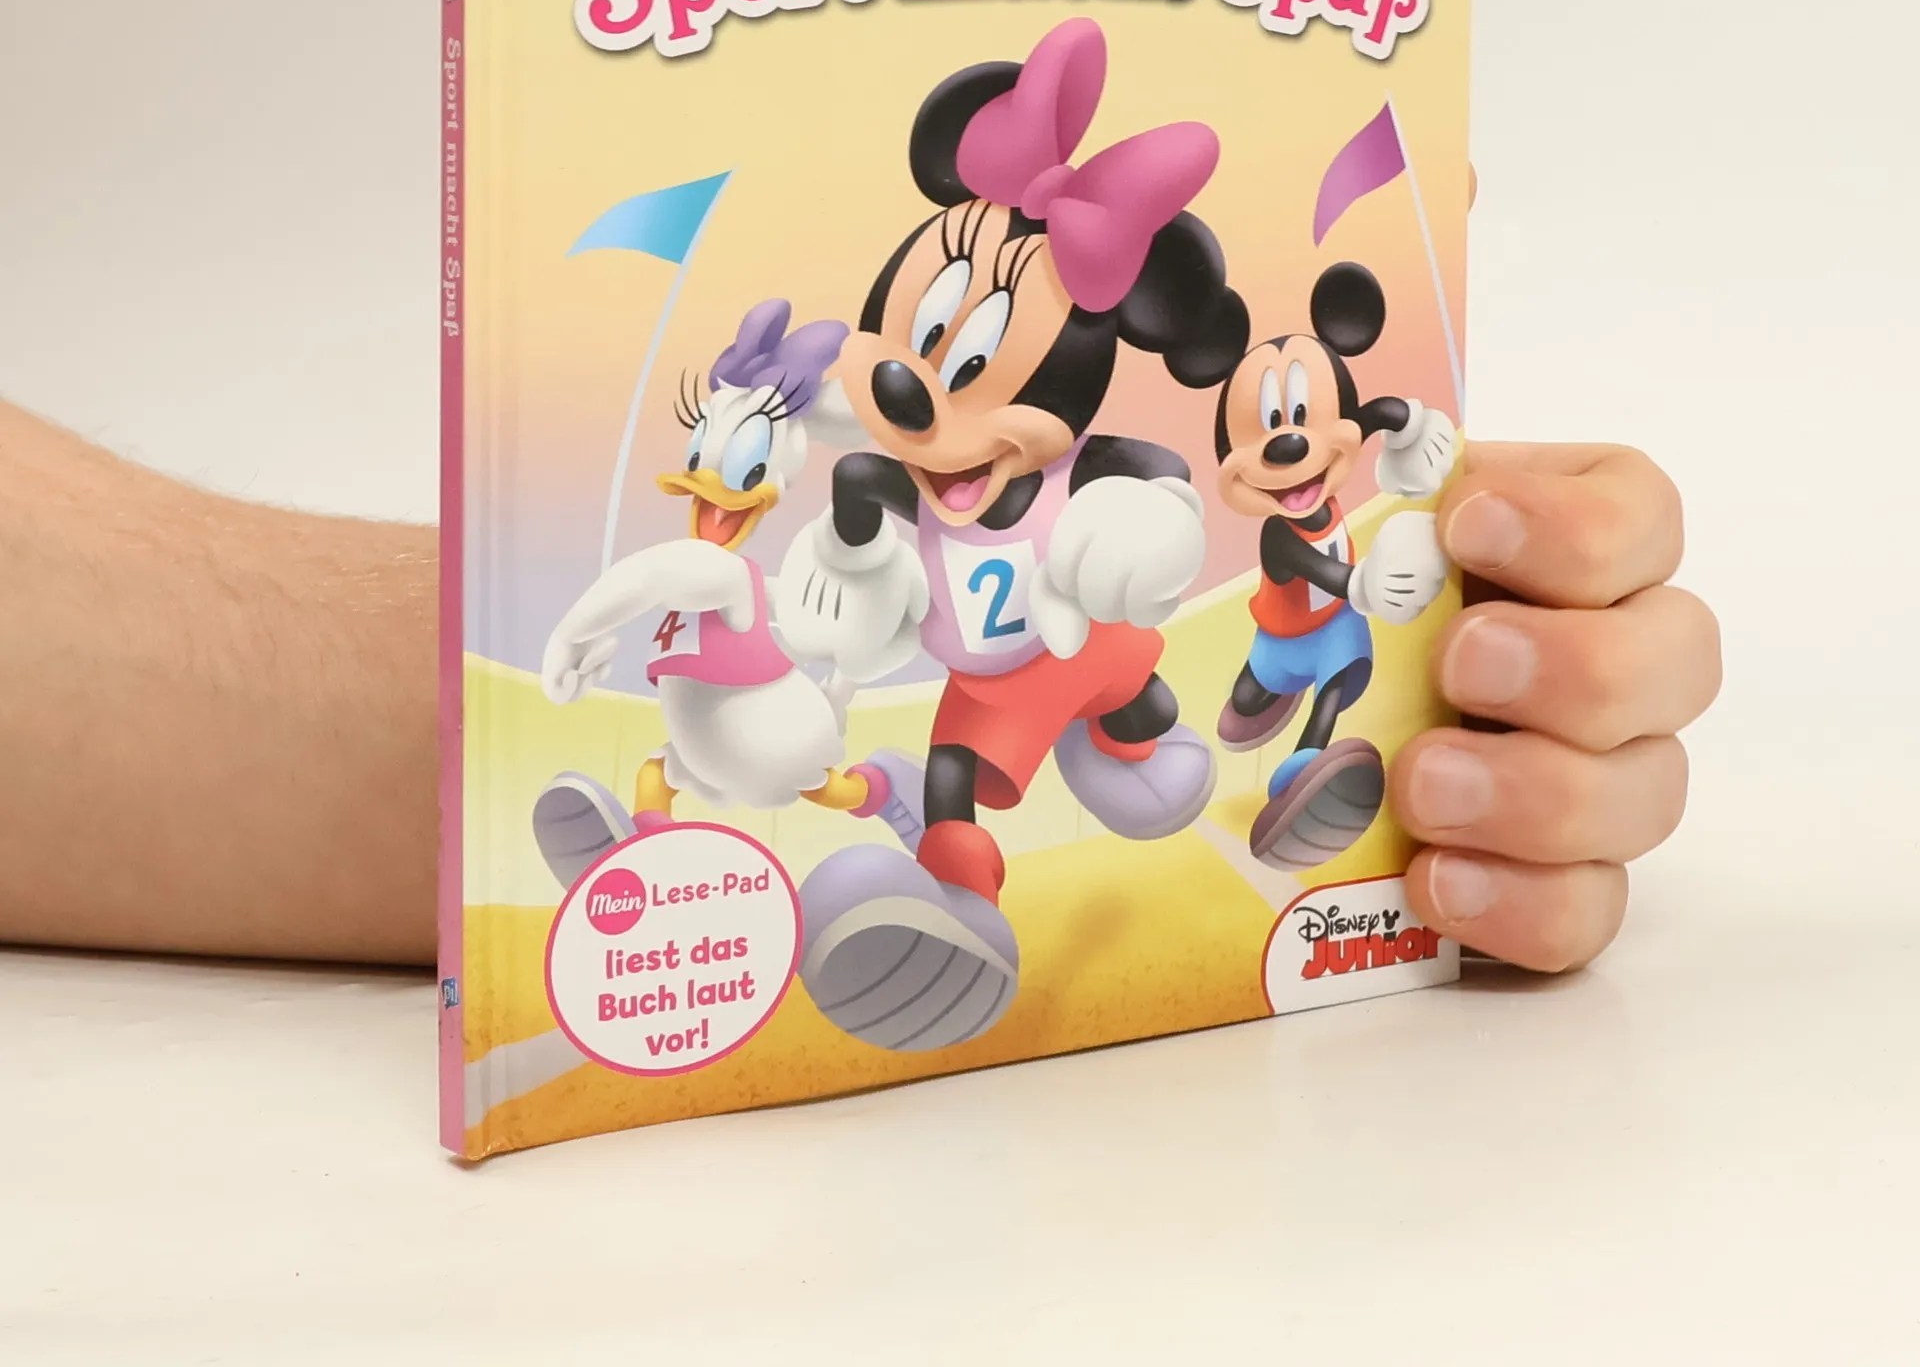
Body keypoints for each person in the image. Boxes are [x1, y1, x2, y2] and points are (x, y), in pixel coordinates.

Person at [0, 393, 1719, 974]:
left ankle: (1257, 755)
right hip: (972, 705)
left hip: (1121, 657)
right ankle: (919, 895)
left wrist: (1426, 606)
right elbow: (842, 627)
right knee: (934, 781)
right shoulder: (871, 521)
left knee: (1159, 735)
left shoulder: (1117, 484)